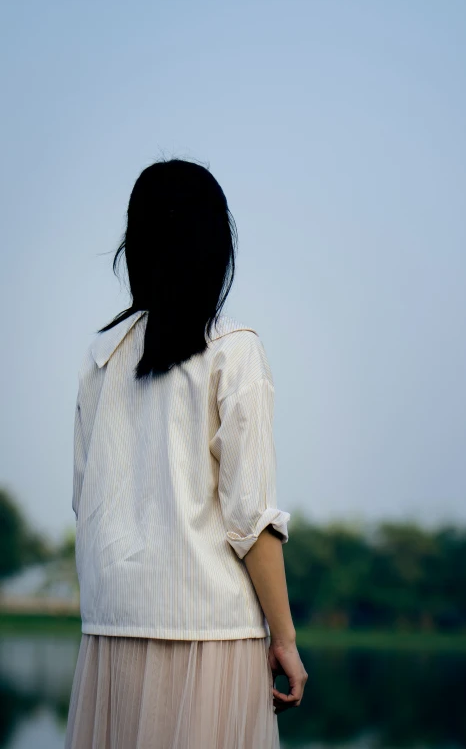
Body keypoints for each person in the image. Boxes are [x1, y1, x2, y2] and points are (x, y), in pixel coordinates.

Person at [64, 158, 308, 749]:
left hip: (113, 634)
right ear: (216, 245)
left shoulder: (103, 357)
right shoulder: (233, 350)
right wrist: (286, 641)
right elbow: (250, 521)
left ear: (137, 244)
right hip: (213, 635)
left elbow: (83, 502)